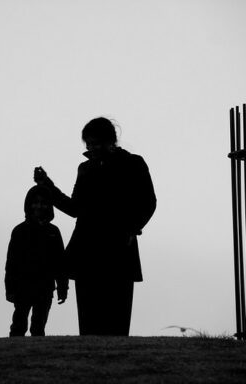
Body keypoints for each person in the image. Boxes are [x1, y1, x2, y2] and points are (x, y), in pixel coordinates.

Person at [34, 117, 156, 336]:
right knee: (89, 325)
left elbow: (148, 202)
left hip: (118, 250)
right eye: (88, 144)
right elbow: (74, 208)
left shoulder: (133, 163)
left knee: (117, 322)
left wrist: (131, 229)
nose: (91, 148)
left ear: (111, 141)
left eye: (95, 143)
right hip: (87, 253)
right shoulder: (85, 169)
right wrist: (47, 186)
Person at [5, 185, 69, 337]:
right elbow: (11, 263)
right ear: (29, 205)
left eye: (43, 202)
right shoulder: (19, 231)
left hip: (45, 288)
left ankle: (36, 354)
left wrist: (62, 288)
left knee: (38, 327)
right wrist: (10, 288)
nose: (39, 206)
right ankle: (14, 353)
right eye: (35, 202)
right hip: (22, 287)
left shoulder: (53, 232)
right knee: (18, 326)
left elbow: (60, 263)